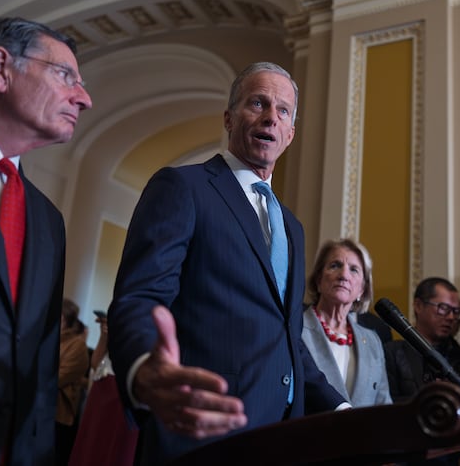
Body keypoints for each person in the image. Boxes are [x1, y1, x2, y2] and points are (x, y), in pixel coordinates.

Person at [108, 61, 349, 465]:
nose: (271, 116)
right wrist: (145, 369)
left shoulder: (292, 227)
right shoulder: (183, 187)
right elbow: (142, 297)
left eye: (283, 111)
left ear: (290, 133)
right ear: (229, 117)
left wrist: (341, 411)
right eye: (258, 103)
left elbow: (286, 337)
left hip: (284, 439)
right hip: (203, 431)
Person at [0, 17, 91, 465]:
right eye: (65, 75)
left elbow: (44, 364)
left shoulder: (48, 221)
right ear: (0, 68)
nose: (84, 98)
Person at [384, 277, 460, 465]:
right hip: (410, 454)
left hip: (459, 456)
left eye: (456, 312)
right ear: (418, 306)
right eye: (443, 308)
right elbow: (385, 403)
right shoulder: (391, 352)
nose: (451, 317)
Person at [302, 238, 392, 408]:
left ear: (362, 290)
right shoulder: (296, 327)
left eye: (354, 270)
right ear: (319, 280)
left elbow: (383, 404)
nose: (343, 275)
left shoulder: (372, 341)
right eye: (335, 265)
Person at [69, 312, 138, 466]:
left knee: (111, 451)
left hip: (122, 391)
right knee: (89, 446)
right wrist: (105, 334)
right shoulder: (120, 312)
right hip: (101, 387)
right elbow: (96, 363)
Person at [55, 299, 89, 466]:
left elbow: (58, 378)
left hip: (60, 416)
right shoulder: (51, 339)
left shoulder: (77, 345)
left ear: (66, 320)